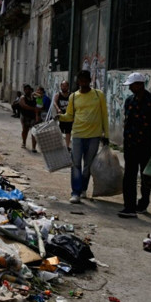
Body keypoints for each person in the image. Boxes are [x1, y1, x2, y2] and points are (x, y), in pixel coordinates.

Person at [118, 72, 151, 218]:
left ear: (139, 85)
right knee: (129, 176)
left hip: (147, 145)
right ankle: (129, 207)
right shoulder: (129, 101)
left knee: (146, 177)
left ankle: (143, 203)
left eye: (132, 85)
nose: (130, 88)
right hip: (131, 145)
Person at [58, 70, 109, 203]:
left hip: (94, 136)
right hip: (78, 135)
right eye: (81, 80)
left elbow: (104, 115)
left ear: (90, 81)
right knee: (75, 164)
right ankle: (75, 192)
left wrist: (106, 135)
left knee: (88, 165)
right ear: (78, 82)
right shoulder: (73, 97)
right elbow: (69, 115)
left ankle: (83, 190)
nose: (84, 83)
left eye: (86, 80)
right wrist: (60, 117)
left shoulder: (99, 95)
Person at [18, 85, 41, 152]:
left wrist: (37, 116)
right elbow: (24, 106)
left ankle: (34, 147)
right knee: (25, 130)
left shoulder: (33, 97)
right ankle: (24, 142)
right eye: (26, 89)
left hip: (33, 116)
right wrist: (34, 109)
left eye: (29, 89)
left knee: (34, 132)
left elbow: (40, 97)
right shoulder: (23, 97)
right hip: (25, 116)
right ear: (24, 90)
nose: (28, 91)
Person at [52, 81, 72, 151]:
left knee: (68, 132)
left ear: (68, 87)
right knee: (59, 131)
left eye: (66, 86)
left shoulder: (71, 95)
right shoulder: (58, 95)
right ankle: (58, 145)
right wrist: (58, 109)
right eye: (63, 86)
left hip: (68, 116)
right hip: (60, 116)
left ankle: (67, 146)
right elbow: (54, 102)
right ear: (61, 86)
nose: (64, 87)